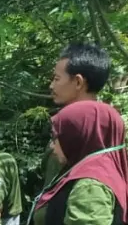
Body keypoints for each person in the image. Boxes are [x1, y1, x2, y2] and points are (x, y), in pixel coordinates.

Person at [45, 43, 112, 186]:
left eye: (56, 79)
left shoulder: (92, 131)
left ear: (78, 82)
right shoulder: (106, 124)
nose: (51, 86)